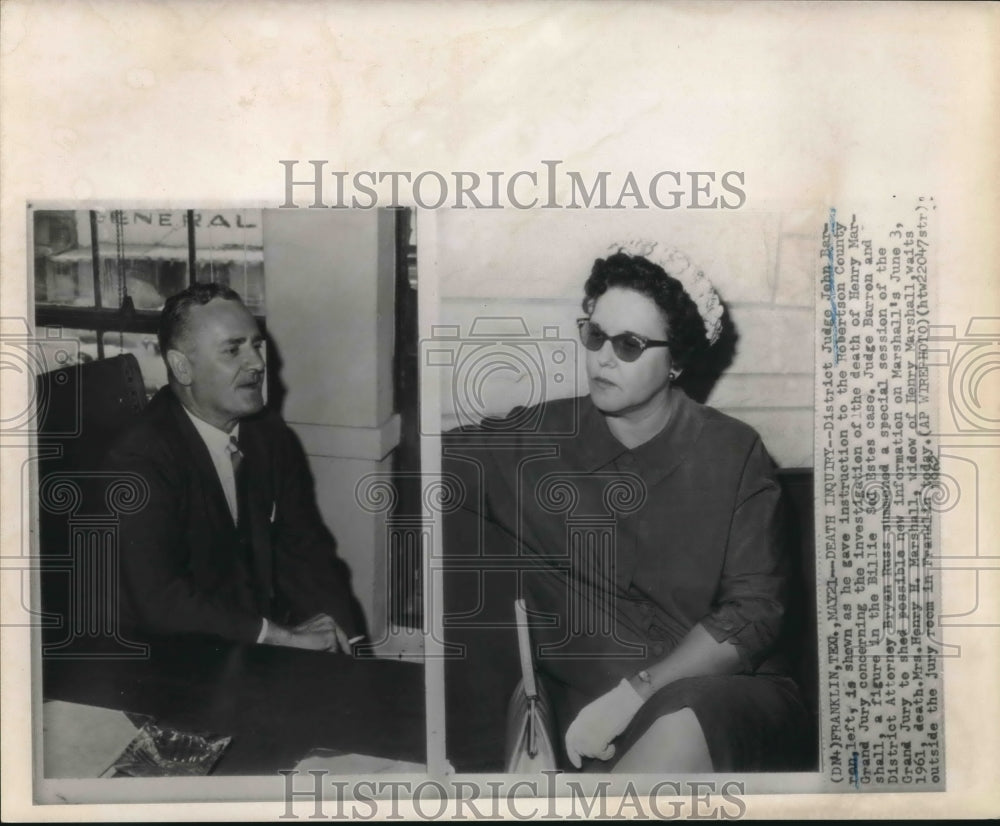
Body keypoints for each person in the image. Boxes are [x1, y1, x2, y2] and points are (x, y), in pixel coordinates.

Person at [443, 240, 811, 773]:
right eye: (595, 335)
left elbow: (754, 615)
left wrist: (637, 693)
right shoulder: (538, 437)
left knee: (682, 721)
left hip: (718, 693)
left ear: (678, 359)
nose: (602, 358)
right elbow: (434, 466)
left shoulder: (733, 452)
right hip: (581, 706)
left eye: (630, 344)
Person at [105, 283, 362, 652]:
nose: (257, 363)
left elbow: (306, 550)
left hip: (253, 642)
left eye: (256, 344)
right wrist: (281, 637)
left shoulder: (268, 434)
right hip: (168, 656)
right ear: (182, 367)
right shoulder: (137, 458)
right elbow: (159, 602)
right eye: (232, 349)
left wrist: (348, 640)